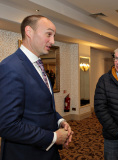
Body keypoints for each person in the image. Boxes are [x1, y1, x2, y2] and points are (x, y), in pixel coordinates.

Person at [0, 15, 73, 160]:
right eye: (48, 34)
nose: (52, 41)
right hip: (25, 154)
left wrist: (60, 121)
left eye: (54, 36)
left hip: (46, 152)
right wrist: (53, 137)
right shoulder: (10, 67)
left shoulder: (38, 65)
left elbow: (41, 107)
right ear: (29, 31)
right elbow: (7, 125)